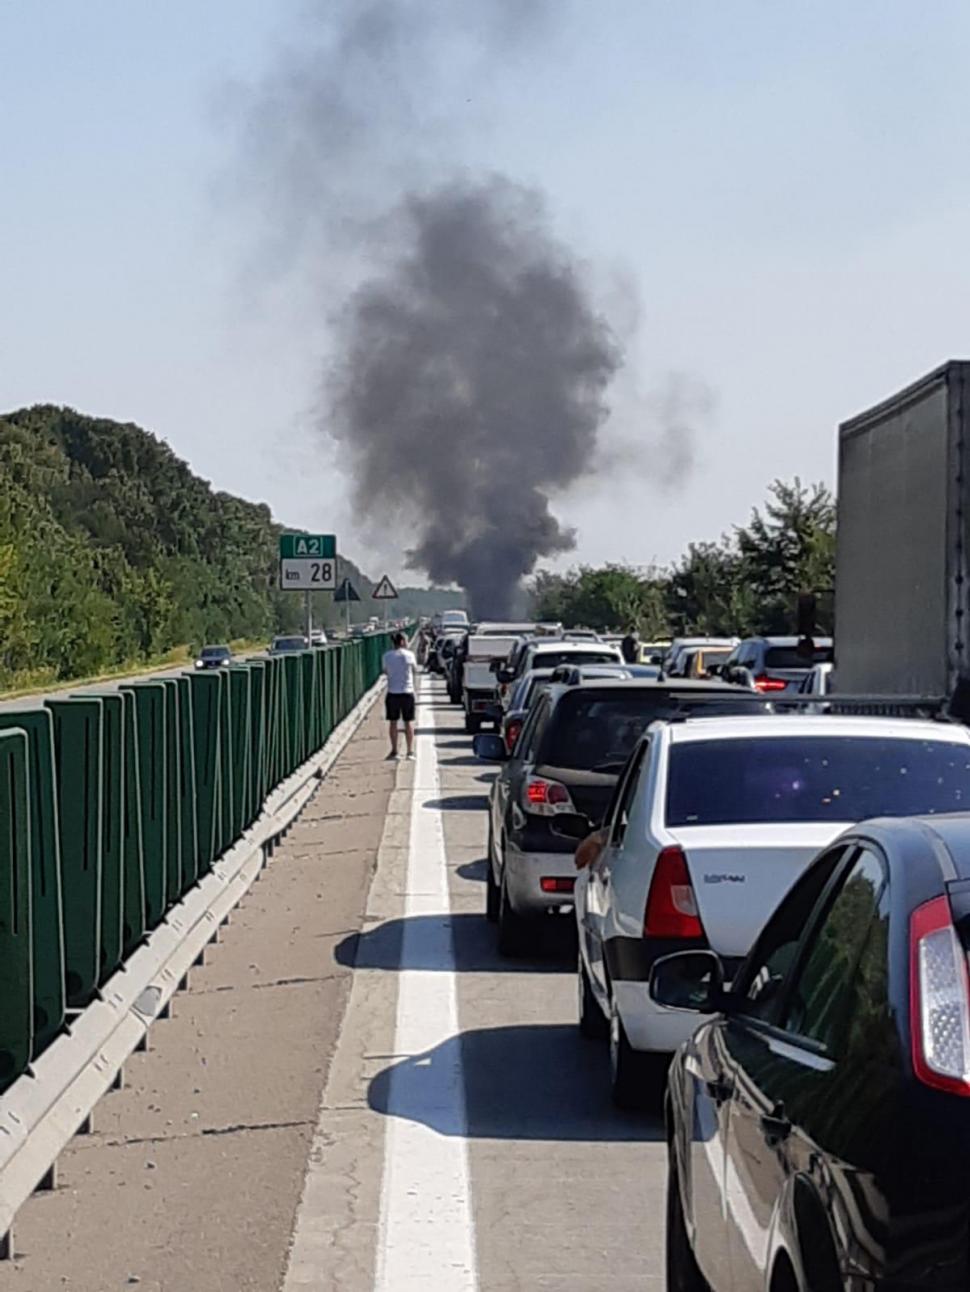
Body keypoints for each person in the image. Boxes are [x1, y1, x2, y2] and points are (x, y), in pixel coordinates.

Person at [383, 631, 417, 760]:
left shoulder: (387, 656)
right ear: (402, 642)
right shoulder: (409, 655)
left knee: (393, 722)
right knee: (408, 722)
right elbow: (414, 669)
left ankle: (394, 751)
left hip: (392, 692)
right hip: (407, 692)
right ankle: (410, 752)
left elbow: (385, 671)